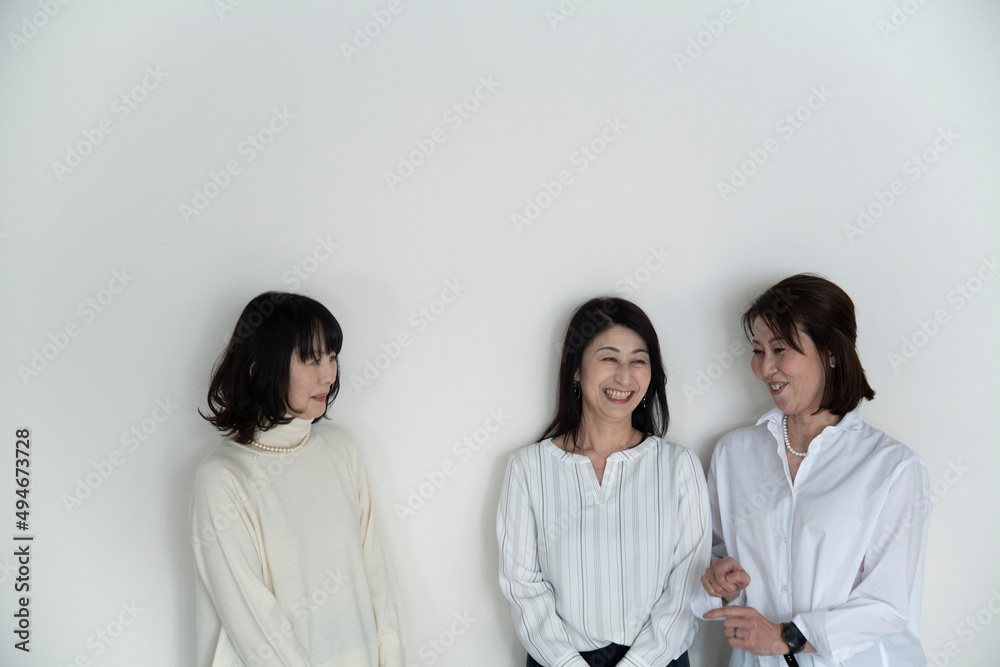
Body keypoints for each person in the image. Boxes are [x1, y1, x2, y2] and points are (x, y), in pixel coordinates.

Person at [695, 275, 931, 666]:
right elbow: (711, 561)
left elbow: (888, 605)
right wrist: (720, 581)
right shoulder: (733, 455)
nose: (765, 367)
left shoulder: (893, 468)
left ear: (831, 352)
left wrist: (785, 637)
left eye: (780, 349)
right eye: (758, 351)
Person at [190, 292, 403, 667]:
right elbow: (252, 622)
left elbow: (376, 576)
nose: (329, 374)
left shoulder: (341, 450)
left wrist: (393, 659)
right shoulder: (222, 478)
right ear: (259, 369)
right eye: (312, 359)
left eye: (332, 356)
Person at [497, 297, 710, 667]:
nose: (624, 377)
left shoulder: (679, 466)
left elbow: (686, 584)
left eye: (638, 360)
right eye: (609, 358)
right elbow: (522, 586)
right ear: (576, 370)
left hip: (657, 660)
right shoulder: (529, 468)